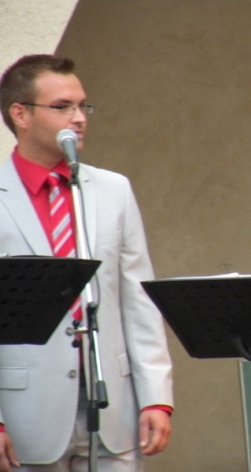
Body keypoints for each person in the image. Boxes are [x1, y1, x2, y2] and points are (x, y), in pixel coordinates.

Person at [0, 54, 173, 471]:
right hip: (23, 416)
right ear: (20, 114)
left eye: (82, 106)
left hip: (112, 409)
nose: (78, 118)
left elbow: (138, 299)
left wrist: (156, 397)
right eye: (62, 107)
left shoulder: (113, 190)